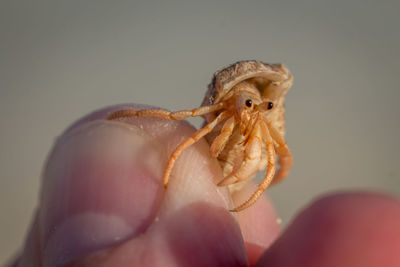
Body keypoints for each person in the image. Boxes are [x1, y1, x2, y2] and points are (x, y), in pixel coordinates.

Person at [10, 105, 400, 267]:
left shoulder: (260, 121)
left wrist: (275, 172)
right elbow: (190, 121)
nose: (253, 115)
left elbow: (281, 152)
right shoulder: (229, 113)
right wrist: (172, 163)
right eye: (250, 108)